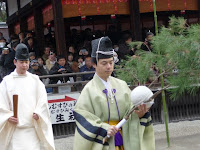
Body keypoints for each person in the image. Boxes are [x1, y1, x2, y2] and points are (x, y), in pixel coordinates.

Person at [73, 37, 155, 150]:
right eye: (104, 63)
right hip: (103, 141)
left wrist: (139, 114)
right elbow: (82, 116)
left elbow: (130, 110)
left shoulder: (122, 85)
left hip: (123, 140)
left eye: (111, 62)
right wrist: (103, 128)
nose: (108, 66)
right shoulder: (89, 90)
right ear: (94, 64)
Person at [0, 43, 55, 150]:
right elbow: (1, 103)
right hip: (15, 130)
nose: (25, 65)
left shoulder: (35, 80)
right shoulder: (7, 81)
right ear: (15, 62)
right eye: (21, 62)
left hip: (32, 129)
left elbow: (42, 100)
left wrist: (39, 112)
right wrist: (7, 116)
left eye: (26, 62)